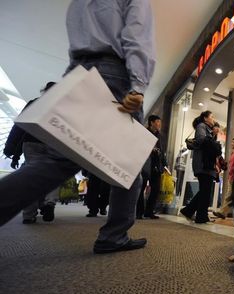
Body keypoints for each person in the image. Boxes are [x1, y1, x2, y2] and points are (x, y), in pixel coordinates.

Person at [0, 0, 156, 254]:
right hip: (114, 74)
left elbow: (77, 34)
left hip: (78, 70)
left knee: (125, 166)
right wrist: (138, 85)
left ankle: (116, 233)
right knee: (72, 162)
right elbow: (137, 34)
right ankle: (114, 235)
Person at [3, 82, 59, 224]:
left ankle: (29, 215)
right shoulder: (62, 106)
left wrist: (11, 149)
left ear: (44, 91)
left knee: (33, 176)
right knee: (53, 174)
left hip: (31, 142)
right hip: (54, 142)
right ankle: (49, 203)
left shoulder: (34, 103)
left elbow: (20, 126)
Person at [180, 111, 221, 224]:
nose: (213, 119)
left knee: (205, 190)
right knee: (205, 190)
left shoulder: (208, 129)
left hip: (207, 164)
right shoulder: (201, 126)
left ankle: (189, 211)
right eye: (211, 116)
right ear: (205, 118)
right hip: (203, 163)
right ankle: (200, 216)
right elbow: (202, 141)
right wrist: (212, 134)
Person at [137, 115, 167, 219]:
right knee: (141, 188)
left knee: (155, 189)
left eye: (160, 122)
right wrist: (151, 149)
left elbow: (162, 152)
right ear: (151, 122)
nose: (159, 124)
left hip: (156, 165)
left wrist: (165, 165)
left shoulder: (160, 135)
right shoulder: (145, 133)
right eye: (158, 121)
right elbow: (140, 147)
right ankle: (139, 212)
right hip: (145, 164)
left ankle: (149, 211)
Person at [212, 137, 234, 219]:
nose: (231, 144)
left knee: (229, 195)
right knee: (231, 195)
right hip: (231, 177)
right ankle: (224, 212)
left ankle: (222, 212)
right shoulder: (233, 152)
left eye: (233, 142)